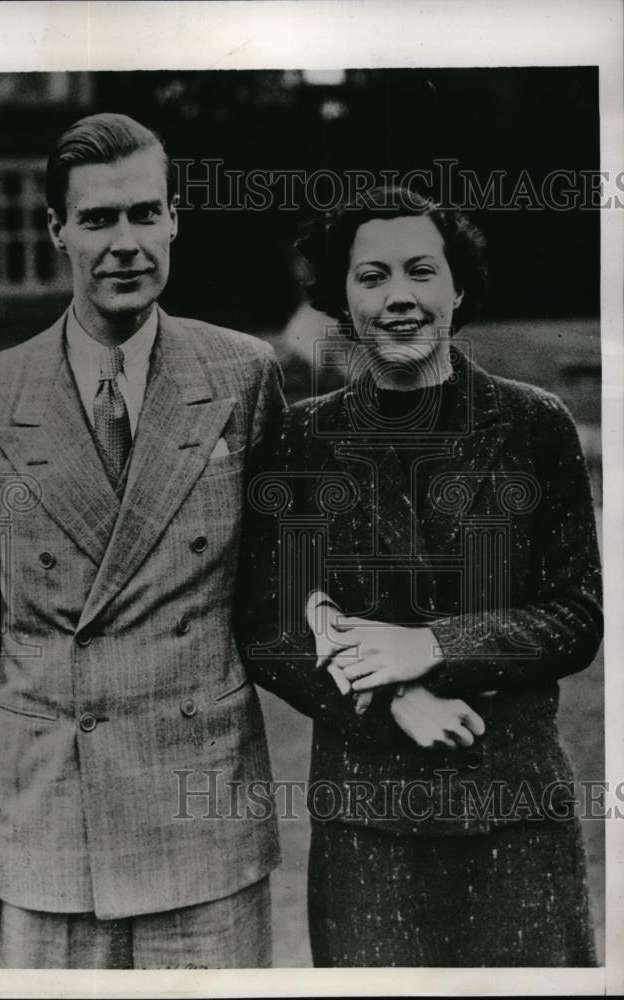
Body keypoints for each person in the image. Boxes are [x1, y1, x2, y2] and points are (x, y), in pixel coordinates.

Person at [0, 112, 283, 970]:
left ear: (174, 219)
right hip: (43, 837)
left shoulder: (243, 374)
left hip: (205, 827)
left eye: (144, 214)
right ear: (56, 231)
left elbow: (286, 603)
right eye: (97, 220)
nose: (126, 243)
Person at [238, 184, 602, 966]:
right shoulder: (302, 439)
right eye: (372, 277)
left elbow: (576, 616)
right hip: (368, 827)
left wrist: (432, 645)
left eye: (421, 271)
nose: (399, 297)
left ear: (457, 286)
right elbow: (270, 627)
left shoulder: (535, 424)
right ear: (341, 298)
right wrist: (392, 696)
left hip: (517, 813)